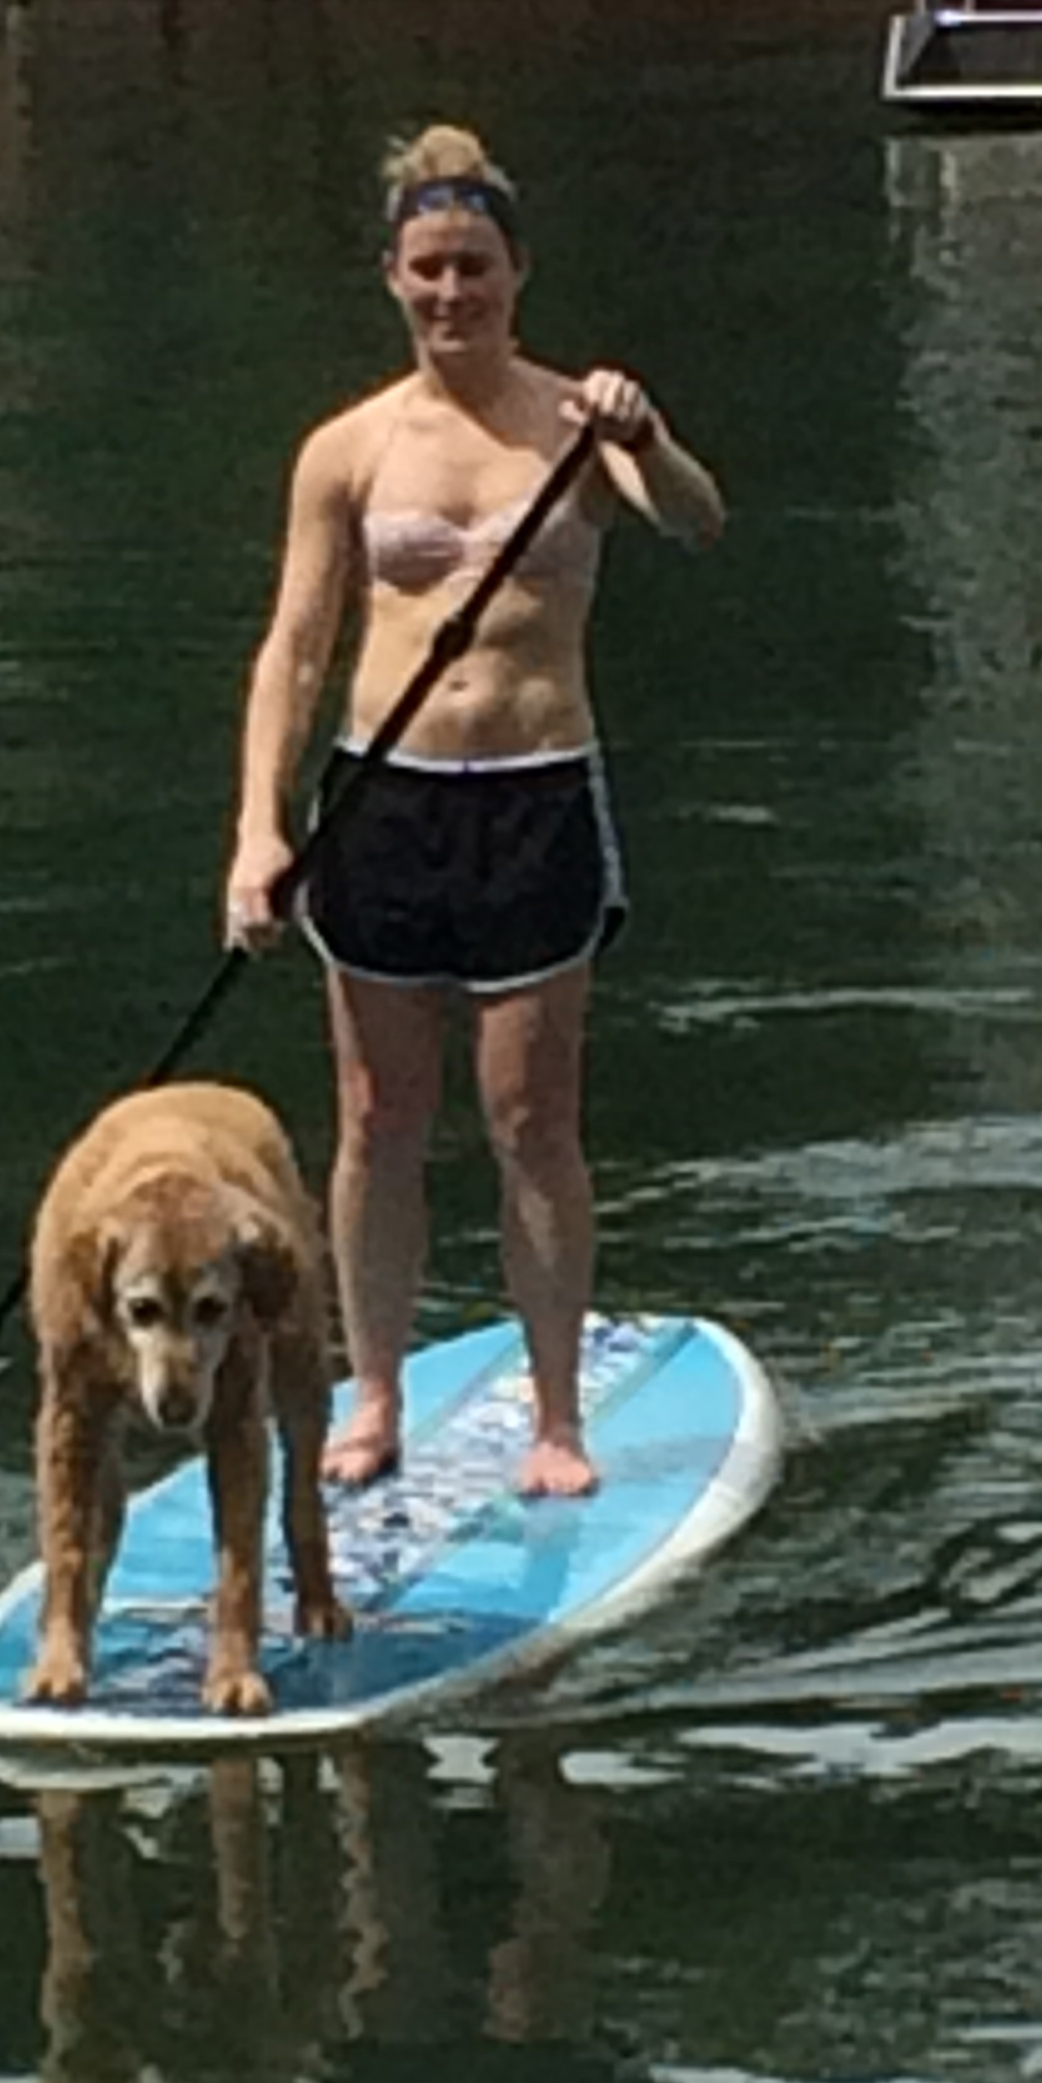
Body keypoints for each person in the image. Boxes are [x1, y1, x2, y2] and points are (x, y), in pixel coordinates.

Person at [224, 124, 724, 1499]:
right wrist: (260, 830)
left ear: (518, 272)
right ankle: (373, 1395)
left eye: (477, 267)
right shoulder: (348, 449)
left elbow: (696, 522)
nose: (455, 293)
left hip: (535, 793)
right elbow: (294, 650)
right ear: (394, 277)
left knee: (530, 1121)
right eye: (430, 269)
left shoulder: (580, 427)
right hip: (382, 800)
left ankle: (556, 1421)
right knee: (377, 1115)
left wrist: (649, 433)